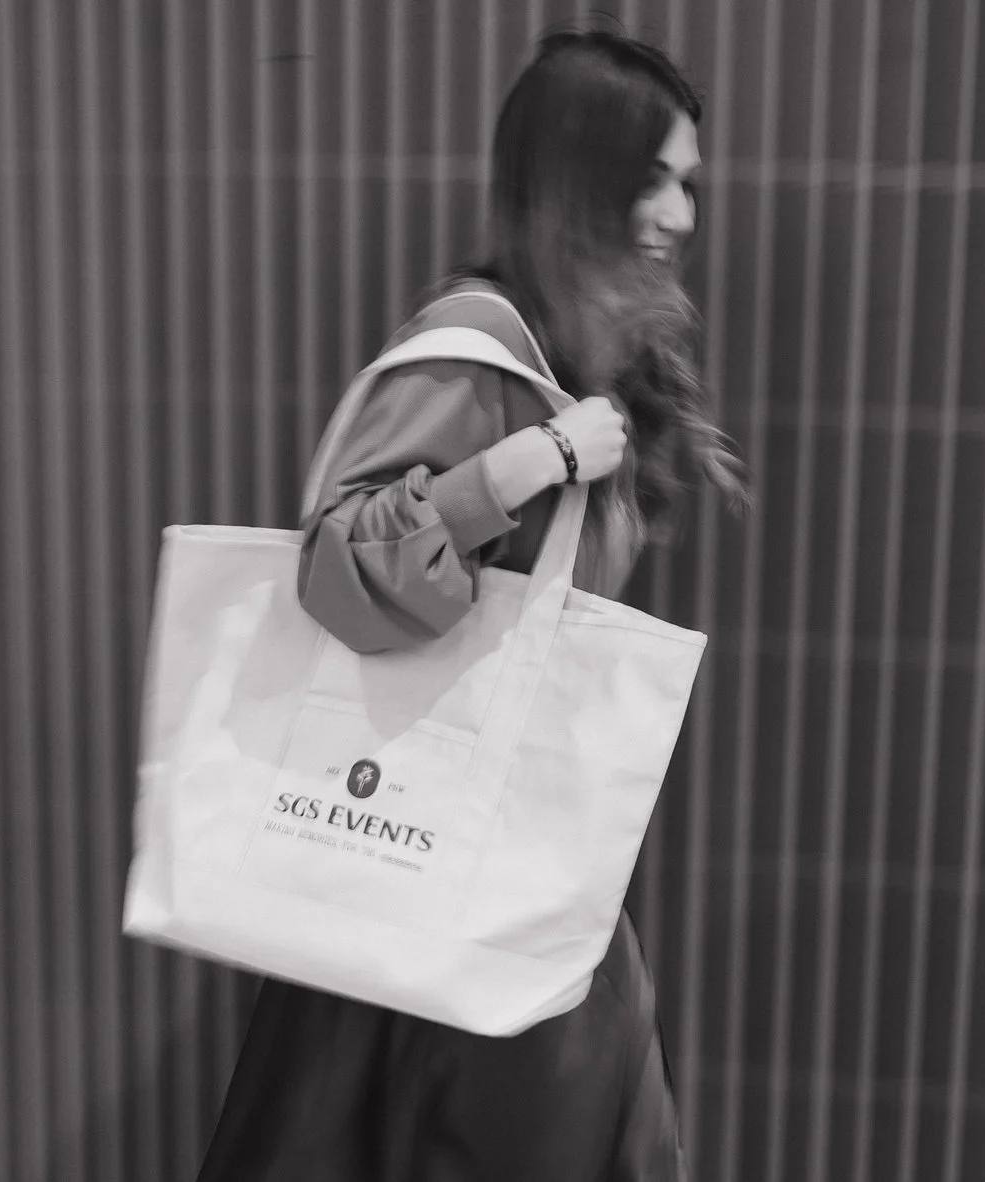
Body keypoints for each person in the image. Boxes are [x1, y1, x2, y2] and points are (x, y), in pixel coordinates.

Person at [197, 27, 748, 1182]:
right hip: (433, 883)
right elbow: (341, 564)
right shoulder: (479, 347)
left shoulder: (586, 354)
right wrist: (534, 458)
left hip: (505, 874)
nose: (677, 213)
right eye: (649, 178)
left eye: (686, 183)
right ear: (574, 176)